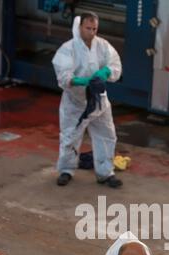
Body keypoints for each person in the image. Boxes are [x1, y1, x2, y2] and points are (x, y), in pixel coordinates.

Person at [52, 12, 123, 188]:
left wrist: (106, 72)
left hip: (99, 101)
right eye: (88, 28)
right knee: (70, 136)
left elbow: (115, 64)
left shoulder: (103, 45)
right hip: (75, 103)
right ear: (79, 27)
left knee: (106, 135)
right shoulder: (68, 48)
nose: (91, 32)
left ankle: (106, 173)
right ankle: (66, 170)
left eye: (94, 29)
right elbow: (63, 75)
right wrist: (80, 81)